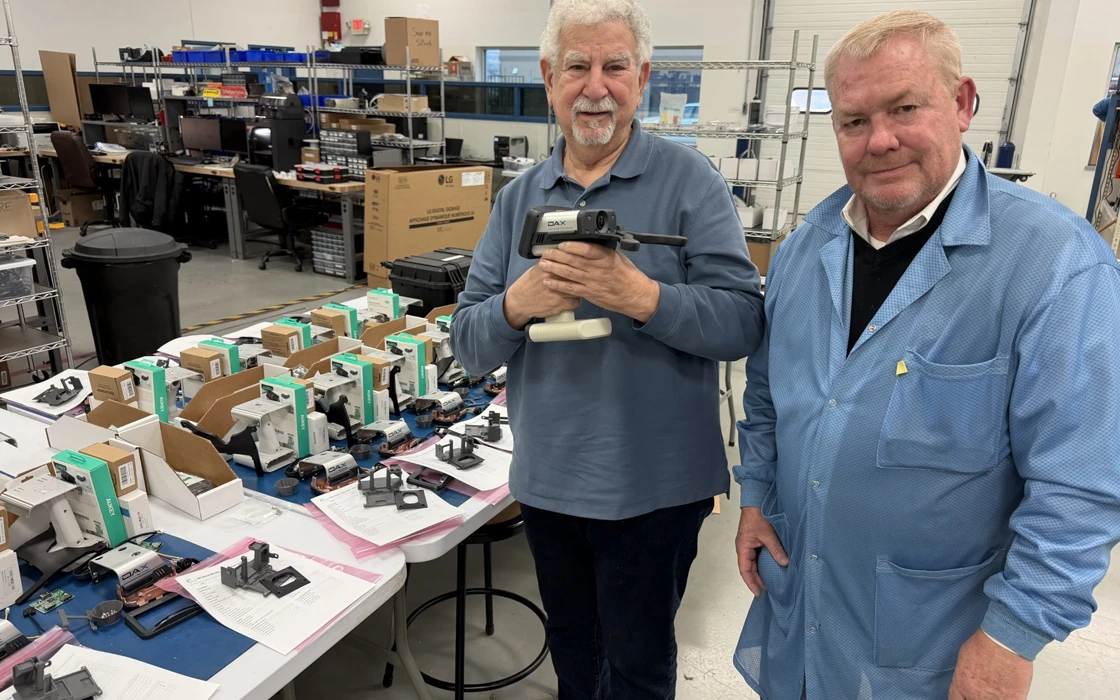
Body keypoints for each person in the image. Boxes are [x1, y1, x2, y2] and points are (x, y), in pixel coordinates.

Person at [732, 10, 1120, 700]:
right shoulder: (803, 249)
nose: (880, 140)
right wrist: (757, 497)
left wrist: (1011, 638)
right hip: (806, 615)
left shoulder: (1054, 265)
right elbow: (766, 394)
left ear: (963, 103)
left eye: (905, 108)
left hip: (930, 649)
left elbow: (1080, 488)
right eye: (854, 121)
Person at [451, 0, 765, 696]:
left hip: (656, 493)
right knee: (573, 658)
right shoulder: (518, 200)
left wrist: (643, 297)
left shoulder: (692, 184)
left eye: (615, 66)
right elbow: (468, 341)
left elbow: (745, 322)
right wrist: (518, 303)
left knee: (638, 670)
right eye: (578, 66)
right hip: (550, 484)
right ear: (548, 77)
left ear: (643, 76)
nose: (596, 86)